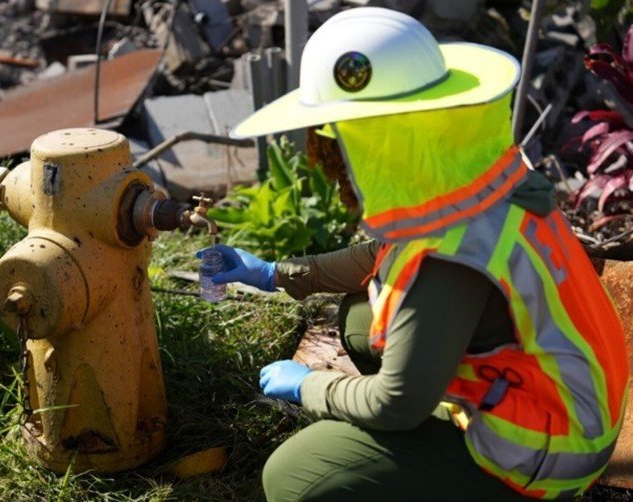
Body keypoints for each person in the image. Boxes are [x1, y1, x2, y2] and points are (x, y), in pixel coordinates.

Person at [203, 7, 629, 501]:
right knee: (362, 320)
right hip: (566, 385)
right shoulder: (468, 178)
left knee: (299, 474)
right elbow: (380, 256)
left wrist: (308, 386)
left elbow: (396, 404)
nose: (327, 148)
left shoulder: (454, 252)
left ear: (375, 139)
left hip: (553, 447)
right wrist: (278, 273)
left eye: (334, 134)